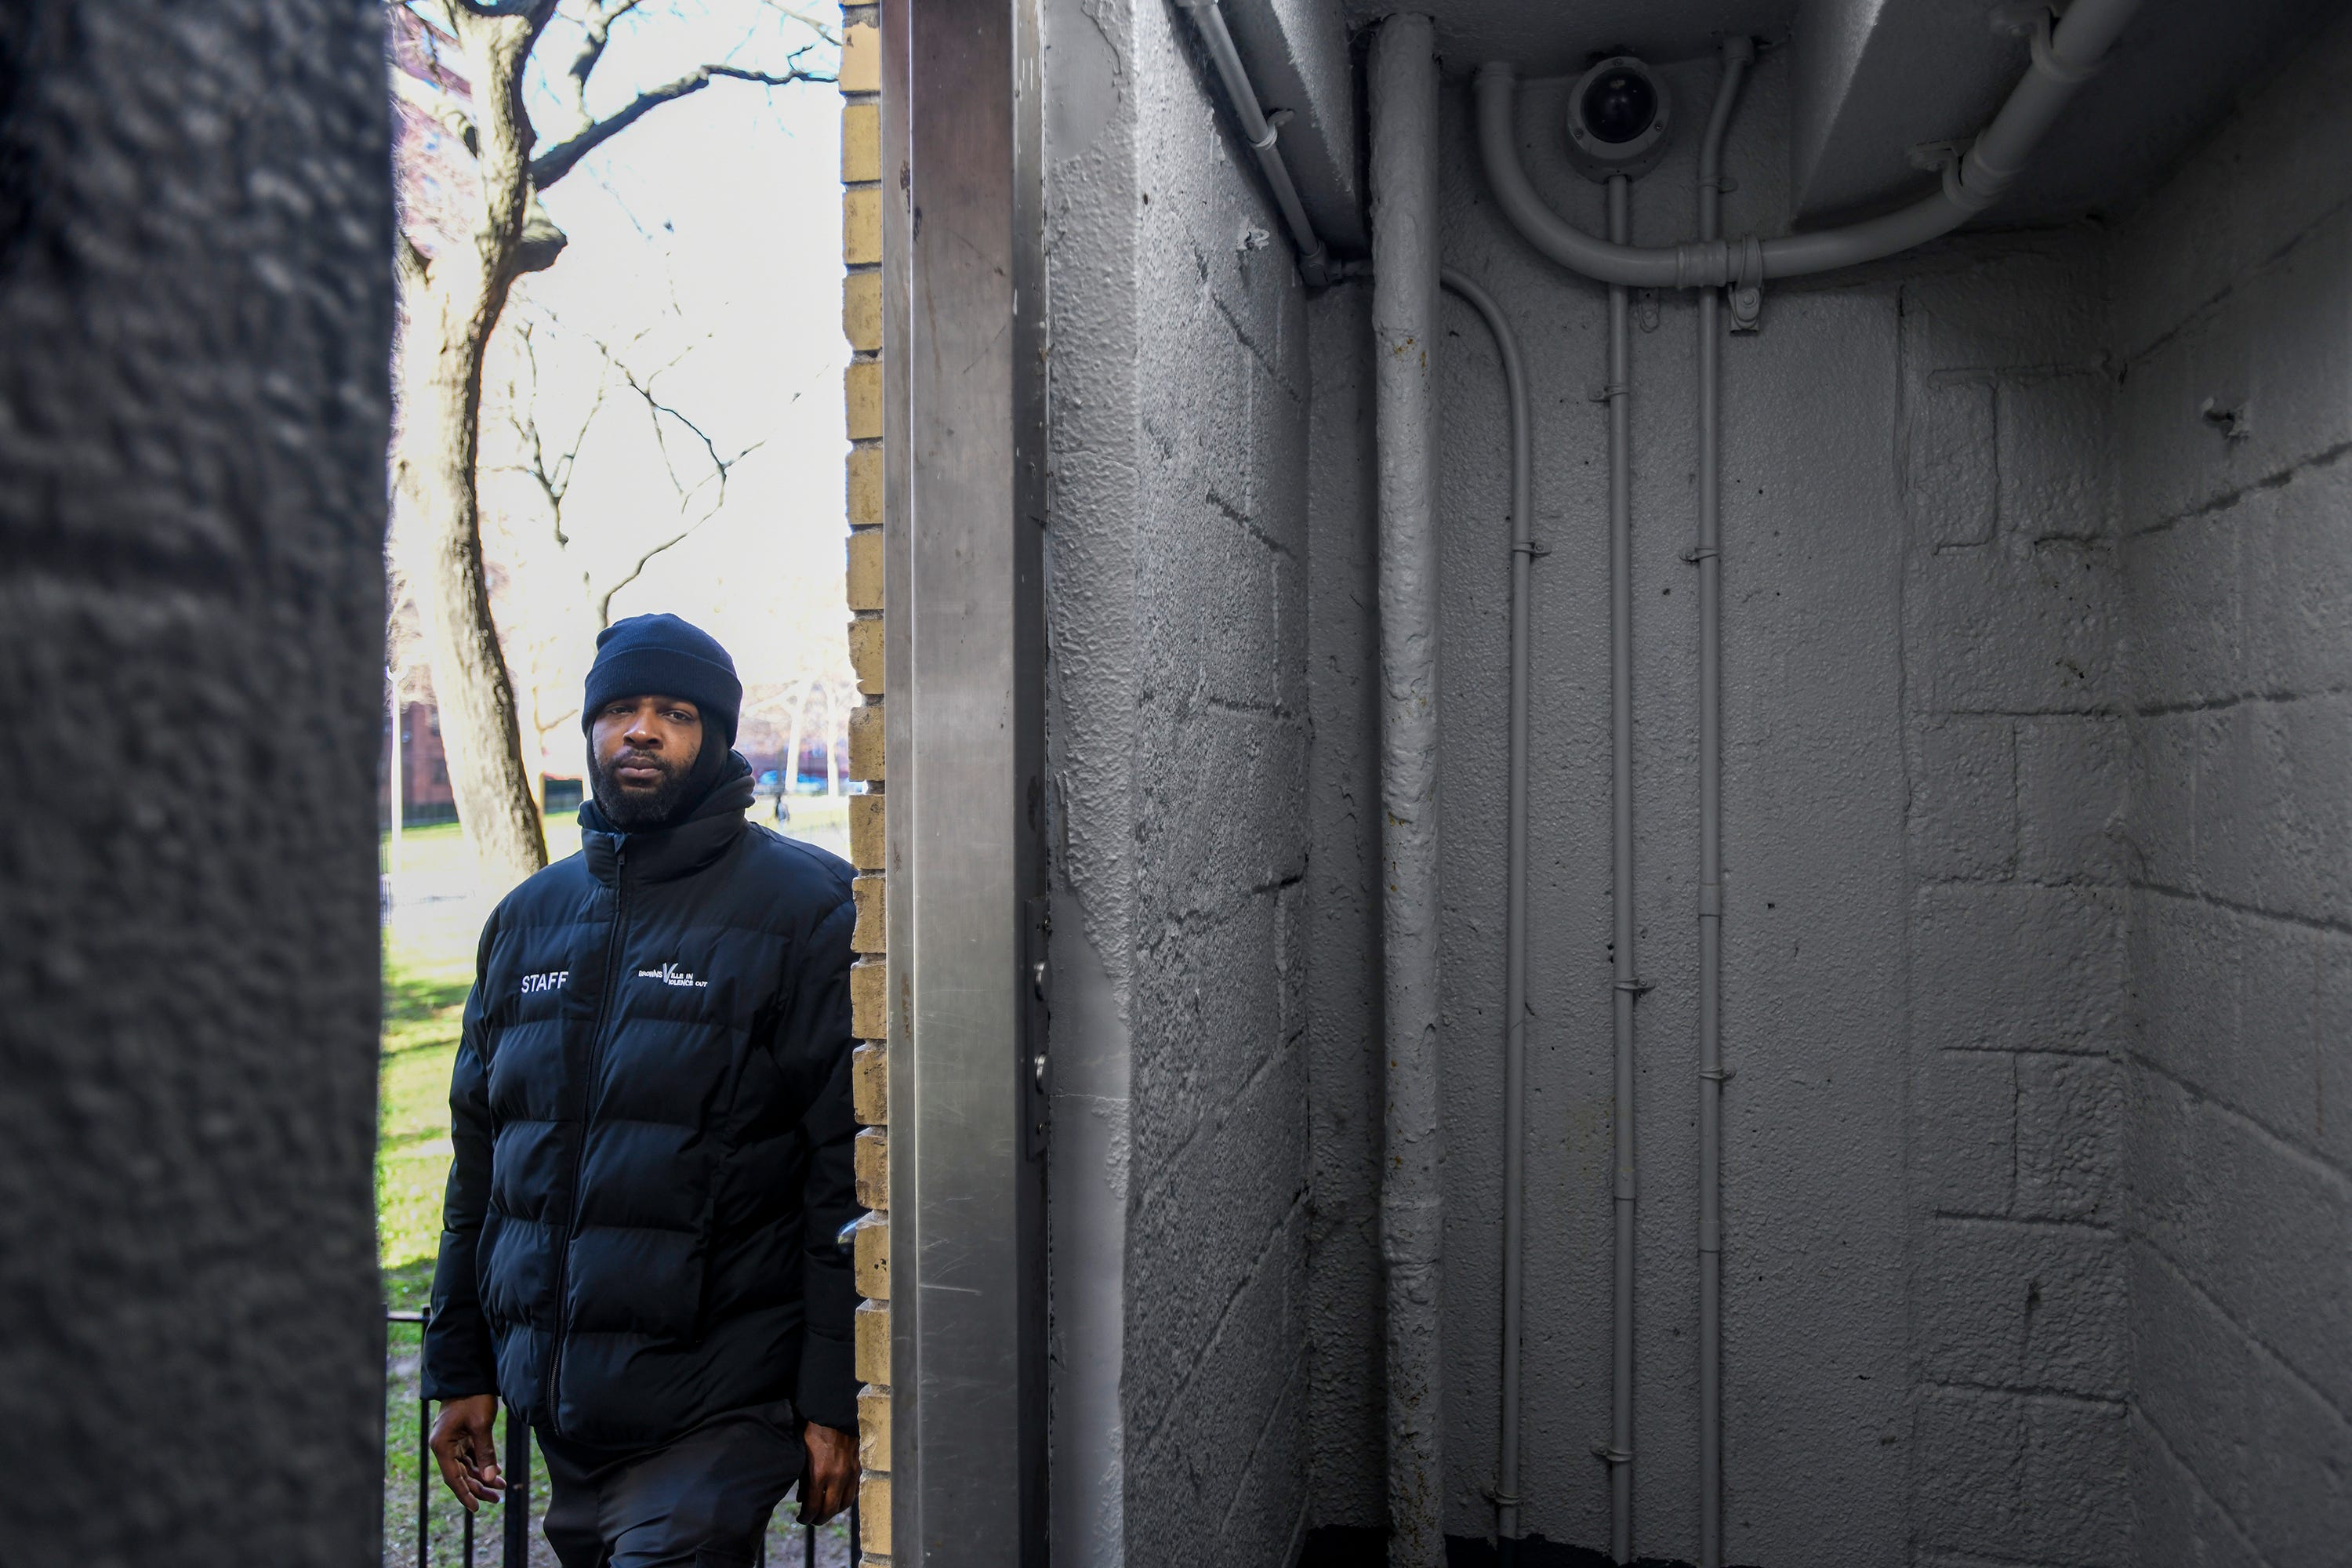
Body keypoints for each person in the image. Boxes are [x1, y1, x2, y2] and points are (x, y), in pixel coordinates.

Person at [421, 613, 861, 1565]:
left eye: (674, 711)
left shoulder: (806, 909)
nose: (642, 729)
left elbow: (846, 1176)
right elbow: (480, 1171)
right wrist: (463, 1366)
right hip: (568, 1412)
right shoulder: (526, 923)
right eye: (620, 708)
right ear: (589, 730)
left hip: (724, 1398)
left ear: (717, 735)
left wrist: (835, 1398)